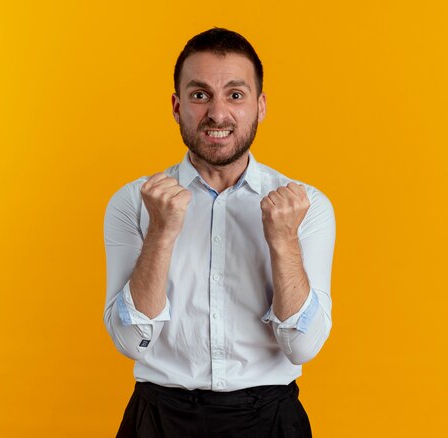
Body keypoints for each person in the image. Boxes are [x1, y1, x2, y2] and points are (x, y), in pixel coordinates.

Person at [103, 27, 336, 438]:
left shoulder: (306, 206)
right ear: (176, 106)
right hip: (158, 421)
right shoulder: (133, 201)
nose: (217, 113)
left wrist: (282, 241)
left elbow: (302, 348)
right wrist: (160, 232)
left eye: (235, 94)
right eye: (199, 95)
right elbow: (130, 341)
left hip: (270, 421)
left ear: (260, 106)